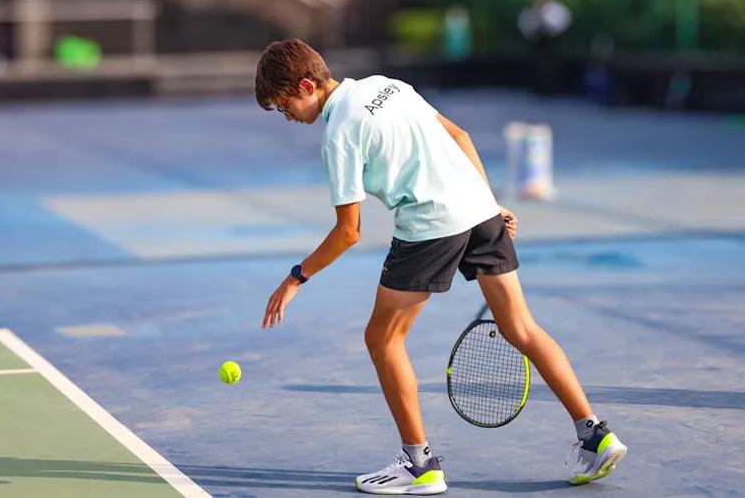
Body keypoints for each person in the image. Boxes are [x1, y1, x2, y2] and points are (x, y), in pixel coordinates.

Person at [254, 38, 626, 495]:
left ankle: (418, 465)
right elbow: (461, 137)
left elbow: (348, 232)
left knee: (382, 338)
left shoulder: (338, 135)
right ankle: (594, 434)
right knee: (521, 327)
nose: (287, 116)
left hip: (431, 224)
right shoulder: (386, 85)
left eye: (284, 105)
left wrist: (296, 277)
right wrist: (489, 205)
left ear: (307, 85)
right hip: (479, 210)